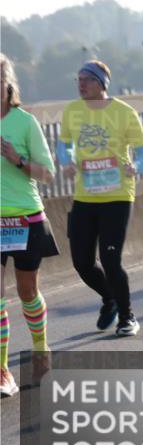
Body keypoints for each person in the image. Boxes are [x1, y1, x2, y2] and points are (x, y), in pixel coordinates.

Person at [57, 61, 143, 337]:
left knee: (110, 260)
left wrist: (137, 166)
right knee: (81, 262)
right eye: (78, 79)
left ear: (101, 83)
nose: (81, 84)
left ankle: (127, 317)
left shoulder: (125, 113)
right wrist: (67, 160)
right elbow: (63, 144)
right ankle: (110, 297)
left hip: (118, 196)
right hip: (84, 197)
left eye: (87, 79)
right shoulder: (73, 111)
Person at [1, 55, 58, 397]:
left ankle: (40, 352)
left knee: (26, 292)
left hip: (24, 217)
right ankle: (3, 369)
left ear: (7, 86)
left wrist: (17, 159)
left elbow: (47, 173)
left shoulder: (24, 122)